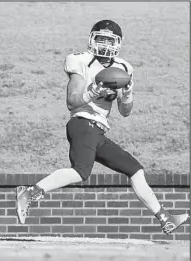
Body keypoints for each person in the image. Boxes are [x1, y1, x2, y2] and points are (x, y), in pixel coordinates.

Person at [15, 20, 189, 235]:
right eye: (101, 38)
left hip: (98, 130)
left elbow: (125, 112)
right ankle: (31, 192)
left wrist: (127, 95)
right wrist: (93, 92)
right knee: (81, 171)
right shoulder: (80, 61)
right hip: (82, 123)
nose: (105, 44)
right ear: (92, 39)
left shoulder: (124, 68)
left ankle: (165, 218)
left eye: (110, 40)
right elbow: (72, 102)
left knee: (135, 170)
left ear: (118, 43)